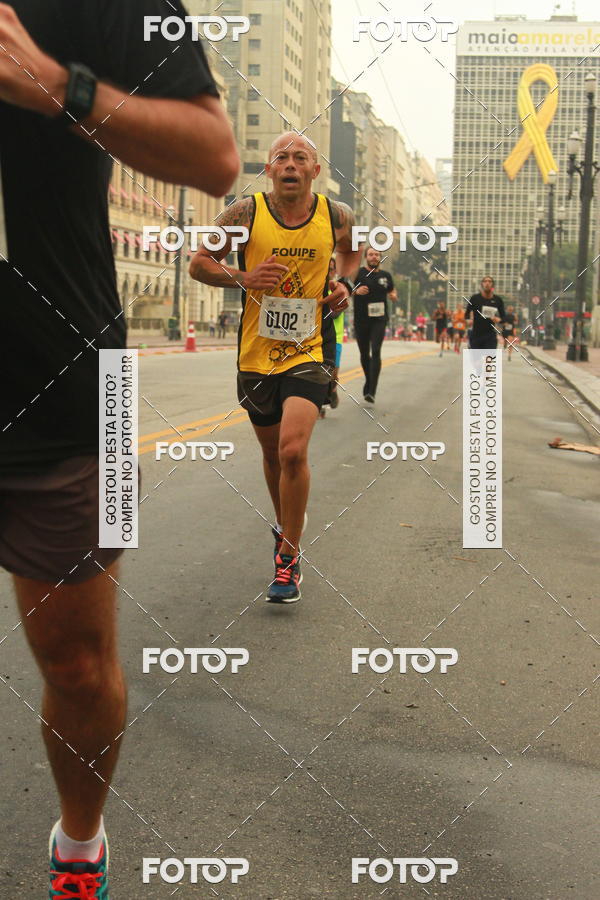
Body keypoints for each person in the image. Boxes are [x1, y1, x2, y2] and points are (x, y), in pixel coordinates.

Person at [0, 3, 238, 897]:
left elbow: (213, 155)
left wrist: (59, 88)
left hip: (73, 384)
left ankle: (80, 845)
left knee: (78, 662)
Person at [190, 132, 362, 603]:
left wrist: (344, 283)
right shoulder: (244, 214)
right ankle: (287, 523)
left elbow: (352, 250)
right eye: (280, 158)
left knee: (291, 451)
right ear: (269, 170)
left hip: (307, 349)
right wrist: (243, 277)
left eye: (299, 158)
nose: (289, 164)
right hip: (255, 354)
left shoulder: (336, 215)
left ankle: (288, 554)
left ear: (314, 170)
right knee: (270, 456)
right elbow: (199, 263)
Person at [353, 247, 397, 403]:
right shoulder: (357, 273)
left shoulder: (386, 276)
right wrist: (356, 292)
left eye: (377, 255)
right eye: (371, 254)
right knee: (365, 354)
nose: (374, 257)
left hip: (379, 319)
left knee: (376, 350)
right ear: (366, 257)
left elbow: (392, 290)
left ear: (380, 258)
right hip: (361, 320)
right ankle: (368, 380)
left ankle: (372, 390)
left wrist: (393, 295)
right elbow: (346, 289)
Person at [320, 257, 345, 417]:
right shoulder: (315, 288)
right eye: (325, 268)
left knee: (332, 375)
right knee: (318, 373)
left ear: (335, 271)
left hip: (336, 338)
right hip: (317, 337)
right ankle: (319, 405)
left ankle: (333, 389)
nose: (328, 272)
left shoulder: (338, 290)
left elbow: (335, 314)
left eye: (331, 269)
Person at [466, 276, 505, 350]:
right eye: (485, 281)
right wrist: (468, 320)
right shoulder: (474, 298)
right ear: (482, 284)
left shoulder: (498, 300)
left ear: (493, 285)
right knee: (475, 361)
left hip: (490, 335)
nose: (487, 283)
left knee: (489, 360)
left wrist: (498, 320)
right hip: (476, 334)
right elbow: (467, 314)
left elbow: (503, 318)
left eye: (489, 281)